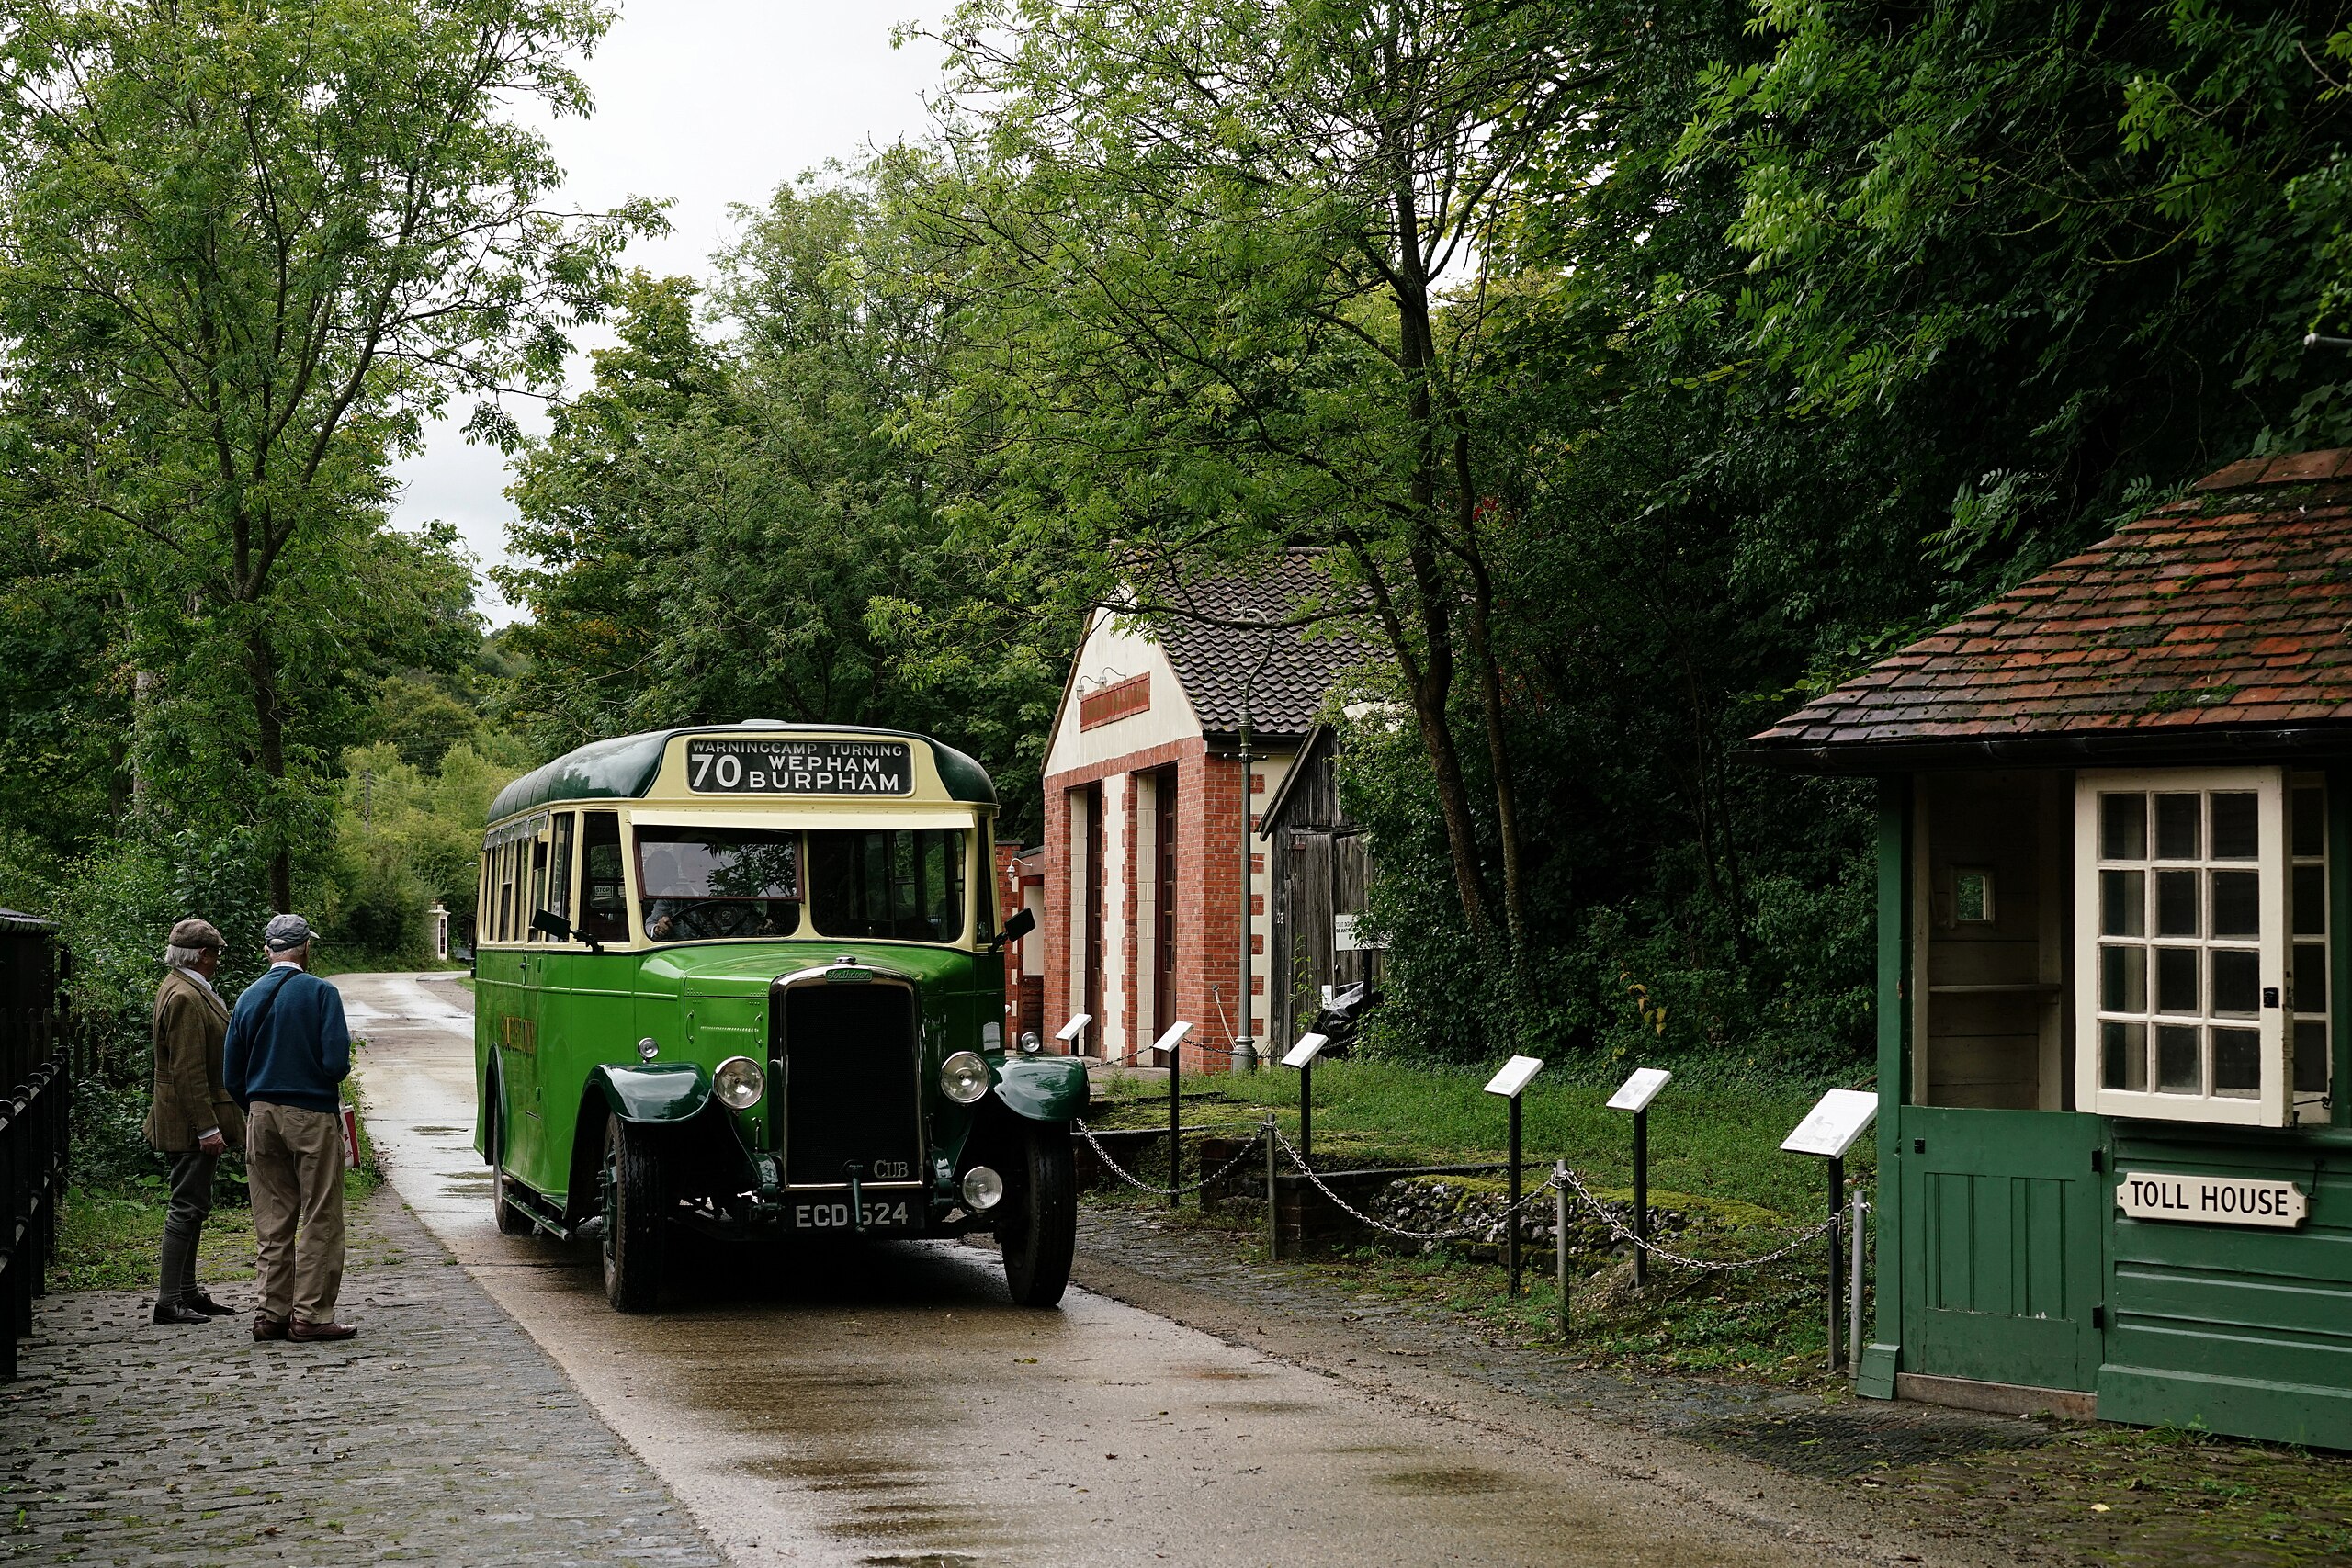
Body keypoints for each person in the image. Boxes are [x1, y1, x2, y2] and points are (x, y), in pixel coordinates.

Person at [222, 914, 356, 1343]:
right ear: (306, 948)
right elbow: (335, 1063)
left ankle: (271, 1314)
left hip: (260, 1115)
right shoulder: (321, 993)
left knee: (272, 1218)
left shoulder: (247, 997)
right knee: (320, 1214)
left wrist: (257, 1105)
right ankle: (310, 1316)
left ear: (268, 950)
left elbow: (231, 1074)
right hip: (311, 1115)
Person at [142, 918, 242, 1326]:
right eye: (215, 954)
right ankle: (169, 1300)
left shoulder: (182, 986)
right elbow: (187, 1070)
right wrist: (207, 1127)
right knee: (186, 1207)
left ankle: (186, 1291)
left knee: (194, 1205)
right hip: (189, 1123)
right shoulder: (185, 995)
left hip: (187, 1118)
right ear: (202, 954)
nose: (217, 961)